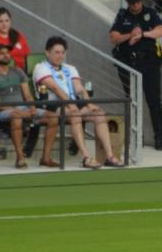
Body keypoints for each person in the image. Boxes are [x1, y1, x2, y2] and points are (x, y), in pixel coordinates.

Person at [33, 37, 124, 168]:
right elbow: (56, 89)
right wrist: (72, 105)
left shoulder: (70, 68)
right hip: (51, 104)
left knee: (98, 114)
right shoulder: (40, 68)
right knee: (75, 114)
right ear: (47, 53)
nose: (60, 56)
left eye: (62, 52)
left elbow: (79, 88)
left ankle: (109, 156)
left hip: (71, 102)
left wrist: (89, 103)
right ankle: (86, 157)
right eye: (56, 52)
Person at [0, 45, 60, 169]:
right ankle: (20, 158)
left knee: (54, 117)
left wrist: (32, 107)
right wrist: (18, 110)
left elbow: (28, 96)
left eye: (7, 52)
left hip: (23, 108)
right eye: (1, 53)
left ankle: (46, 157)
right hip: (4, 111)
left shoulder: (18, 72)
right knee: (17, 117)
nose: (6, 55)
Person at [110, 0, 162, 151]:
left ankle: (159, 137)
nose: (136, 6)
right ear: (128, 2)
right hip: (128, 63)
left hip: (149, 63)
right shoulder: (123, 15)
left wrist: (142, 34)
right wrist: (130, 35)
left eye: (138, 2)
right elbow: (113, 37)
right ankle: (136, 137)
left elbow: (161, 31)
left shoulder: (150, 13)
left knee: (154, 101)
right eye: (133, 3)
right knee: (132, 100)